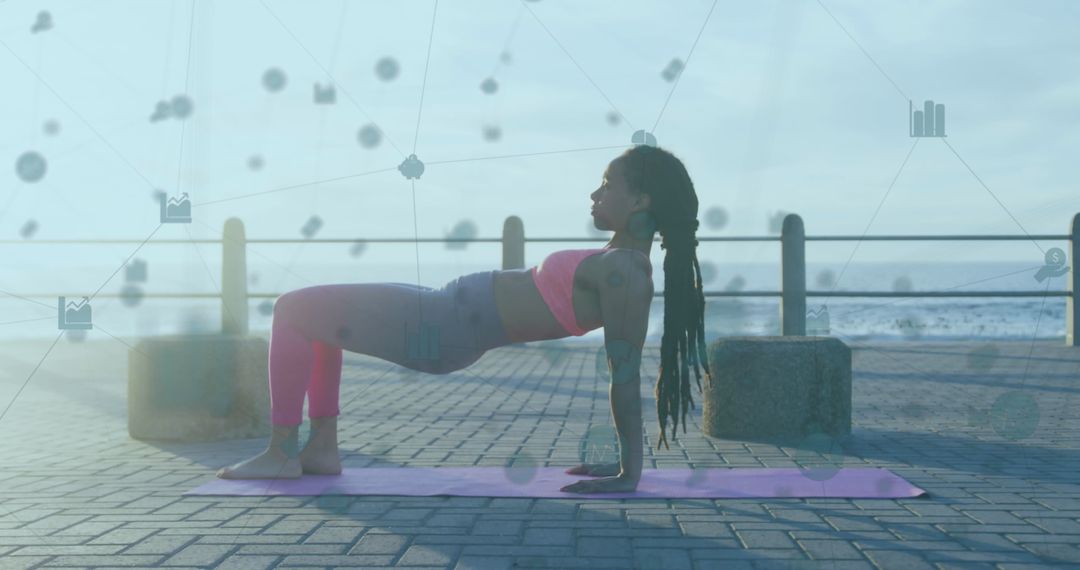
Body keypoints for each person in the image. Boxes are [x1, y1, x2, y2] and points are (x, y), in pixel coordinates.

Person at [216, 145, 711, 494]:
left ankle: (282, 451)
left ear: (640, 202)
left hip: (442, 328)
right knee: (319, 317)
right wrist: (622, 463)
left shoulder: (626, 272)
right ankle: (320, 449)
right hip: (443, 311)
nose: (595, 193)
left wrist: (628, 474)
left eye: (607, 185)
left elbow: (624, 373)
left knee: (292, 309)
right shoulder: (616, 260)